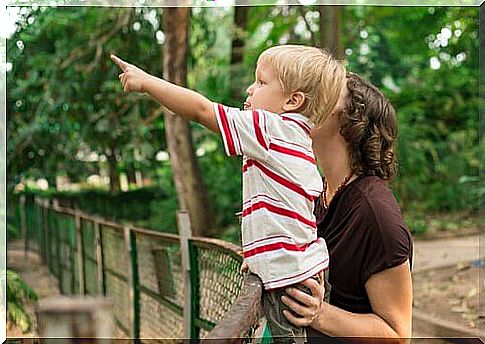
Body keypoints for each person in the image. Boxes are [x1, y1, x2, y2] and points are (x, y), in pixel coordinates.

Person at [111, 45, 347, 343]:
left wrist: (146, 82)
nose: (251, 88)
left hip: (288, 280)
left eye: (261, 82)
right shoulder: (298, 138)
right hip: (302, 270)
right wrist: (261, 255)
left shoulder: (270, 129)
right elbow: (287, 213)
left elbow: (200, 110)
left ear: (292, 100)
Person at [280, 72, 414, 343]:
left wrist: (319, 314)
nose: (308, 99)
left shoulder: (375, 214)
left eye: (325, 92)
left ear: (350, 121)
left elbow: (398, 334)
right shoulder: (316, 192)